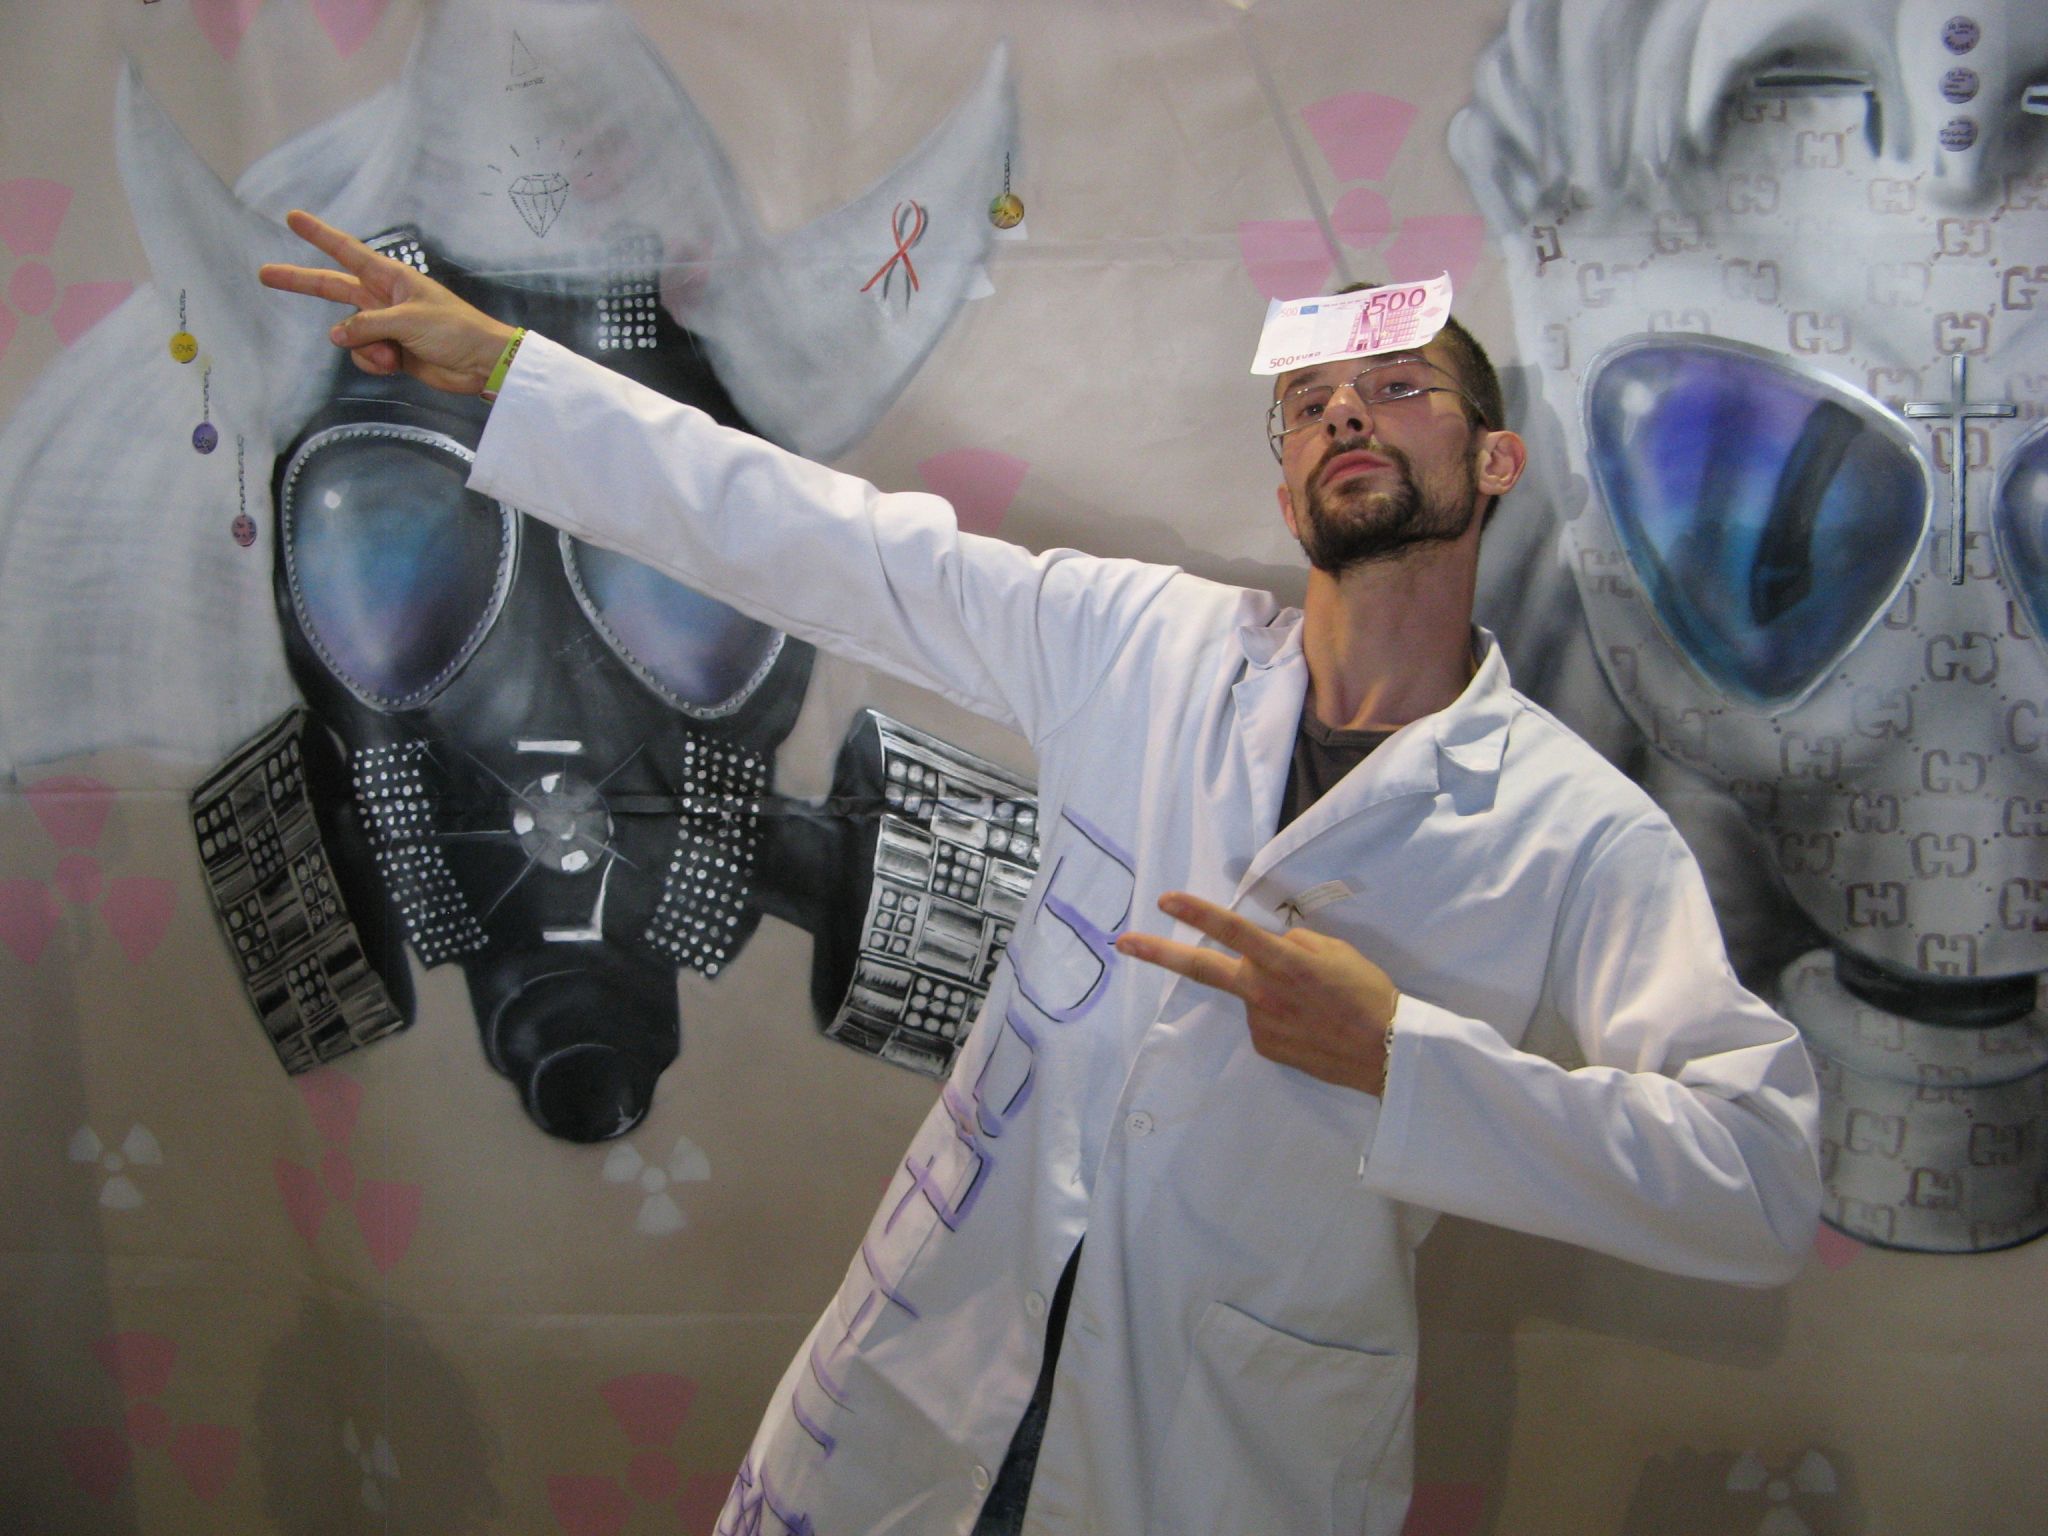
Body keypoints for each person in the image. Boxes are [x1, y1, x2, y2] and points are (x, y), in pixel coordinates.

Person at [261, 211, 1822, 1536]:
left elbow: (1756, 1182)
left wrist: (1402, 1062)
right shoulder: (1140, 646)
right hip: (947, 1369)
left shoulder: (1573, 827)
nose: (1346, 413)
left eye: (1397, 386)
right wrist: (514, 376)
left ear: (1495, 458)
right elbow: (822, 539)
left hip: (1216, 1449)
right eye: (1309, 405)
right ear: (1287, 491)